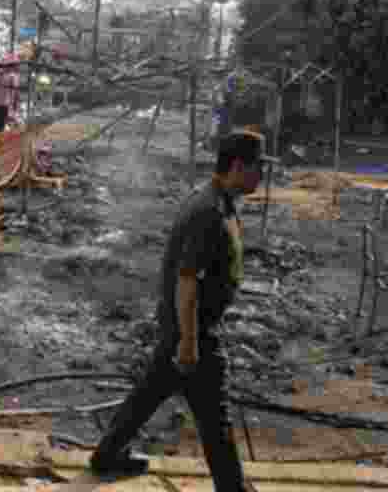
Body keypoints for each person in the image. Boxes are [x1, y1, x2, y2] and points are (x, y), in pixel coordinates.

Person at [88, 130, 276, 492]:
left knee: (150, 393)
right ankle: (231, 487)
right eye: (257, 169)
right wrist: (189, 342)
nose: (260, 178)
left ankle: (107, 455)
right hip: (194, 331)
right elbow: (187, 280)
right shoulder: (208, 212)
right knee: (214, 416)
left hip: (184, 327)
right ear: (237, 166)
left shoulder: (215, 202)